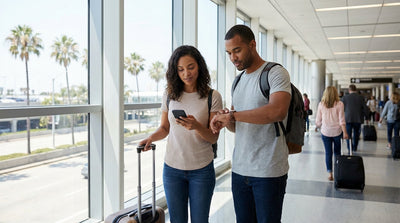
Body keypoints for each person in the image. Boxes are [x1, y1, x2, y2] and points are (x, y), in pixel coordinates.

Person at [210, 24, 291, 223]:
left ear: (252, 44)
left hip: (268, 170)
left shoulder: (275, 73)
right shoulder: (237, 82)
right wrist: (226, 120)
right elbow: (237, 126)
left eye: (237, 50)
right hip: (239, 170)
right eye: (229, 53)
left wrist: (234, 116)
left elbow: (277, 111)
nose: (233, 58)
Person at [139, 45, 223, 223]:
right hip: (172, 170)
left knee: (200, 220)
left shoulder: (212, 96)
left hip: (201, 170)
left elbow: (213, 137)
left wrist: (197, 126)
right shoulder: (170, 95)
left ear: (199, 66)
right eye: (181, 69)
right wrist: (151, 138)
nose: (186, 73)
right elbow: (164, 128)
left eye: (190, 67)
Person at [315, 86, 349, 181]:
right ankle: (338, 171)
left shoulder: (321, 104)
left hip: (325, 132)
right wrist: (345, 133)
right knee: (337, 153)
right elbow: (342, 120)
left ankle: (330, 173)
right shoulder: (340, 104)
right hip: (337, 132)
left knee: (328, 153)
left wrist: (322, 124)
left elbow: (318, 121)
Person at [341, 84, 368, 152]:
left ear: (349, 90)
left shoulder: (344, 98)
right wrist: (367, 117)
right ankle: (355, 147)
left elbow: (341, 108)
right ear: (356, 90)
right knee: (356, 134)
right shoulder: (360, 97)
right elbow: (365, 108)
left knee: (348, 134)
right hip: (358, 119)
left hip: (348, 118)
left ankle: (349, 147)